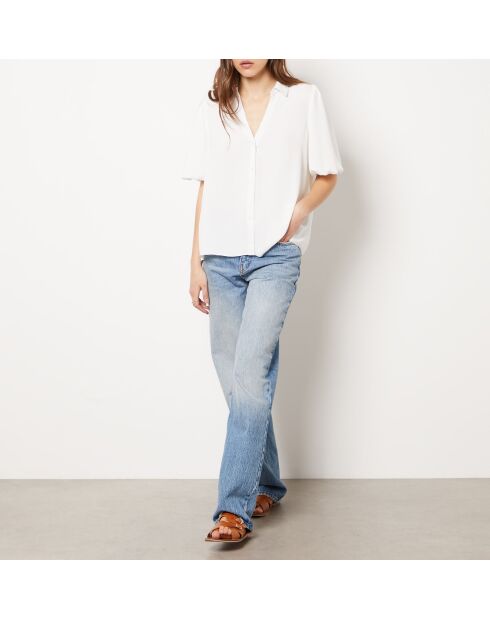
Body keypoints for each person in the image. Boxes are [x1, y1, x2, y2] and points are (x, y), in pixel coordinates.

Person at [181, 59, 343, 543]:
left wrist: (300, 211)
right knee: (237, 382)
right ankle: (267, 483)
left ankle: (233, 509)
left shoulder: (304, 100)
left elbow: (327, 173)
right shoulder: (216, 107)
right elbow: (207, 186)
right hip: (220, 258)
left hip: (276, 254)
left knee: (250, 376)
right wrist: (196, 262)